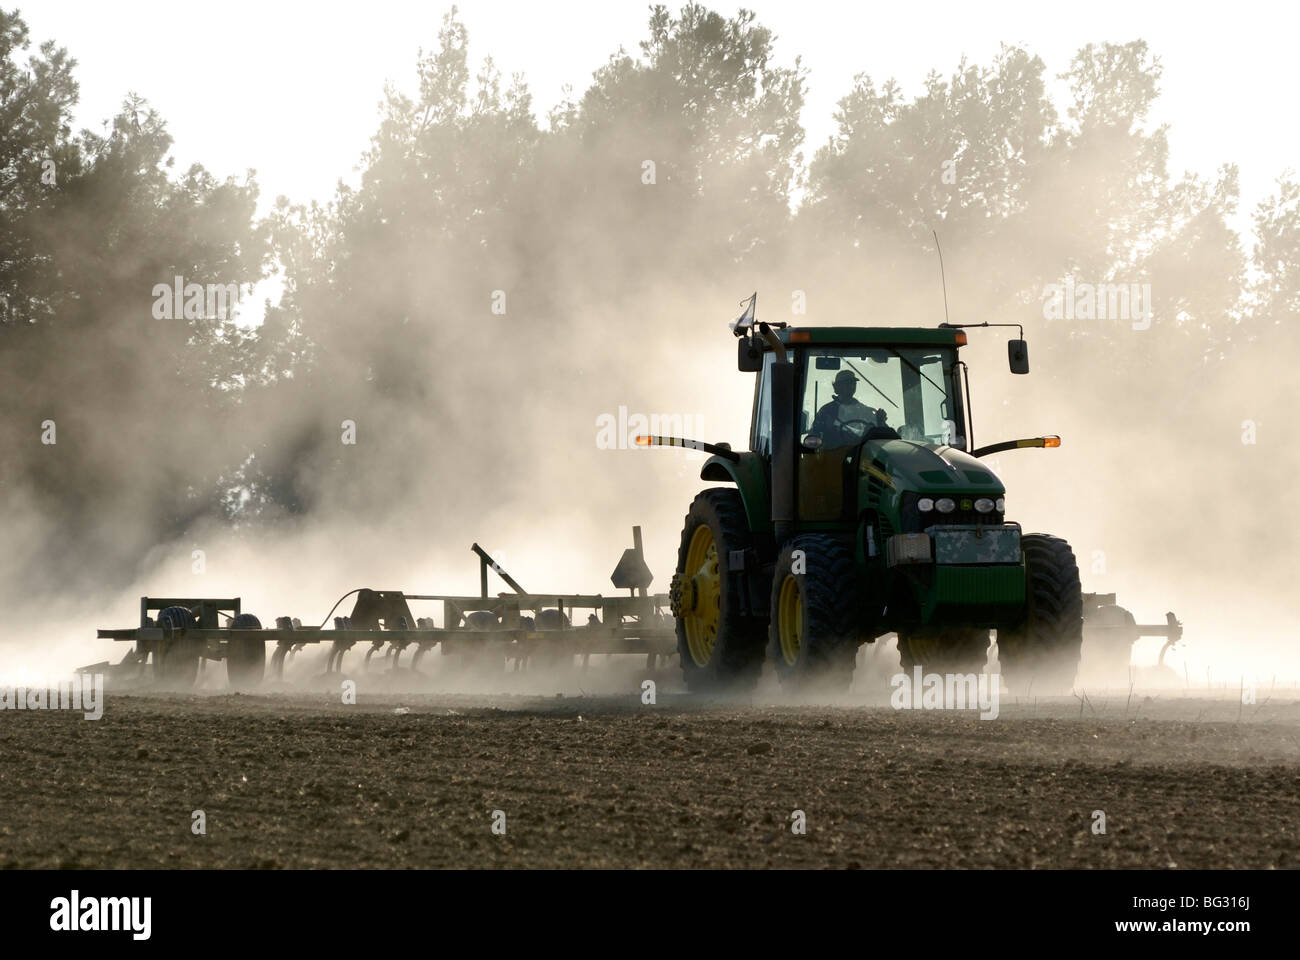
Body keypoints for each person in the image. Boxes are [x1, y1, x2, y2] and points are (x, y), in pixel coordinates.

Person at [811, 369, 881, 446]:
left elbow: (878, 431)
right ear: (837, 387)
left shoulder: (865, 410)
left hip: (860, 454)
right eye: (847, 383)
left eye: (853, 383)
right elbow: (815, 433)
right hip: (831, 454)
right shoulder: (826, 411)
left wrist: (880, 420)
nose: (851, 386)